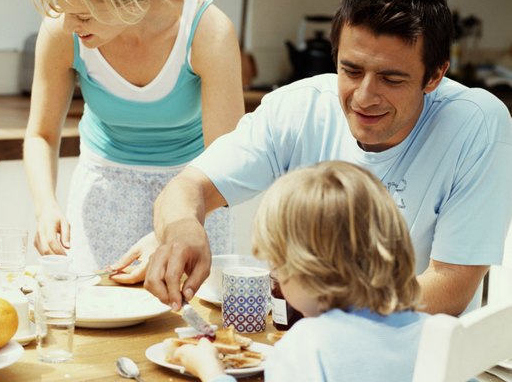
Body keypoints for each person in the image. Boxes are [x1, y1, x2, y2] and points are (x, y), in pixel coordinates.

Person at [139, 0, 512, 314]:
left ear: (435, 75)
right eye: (350, 71)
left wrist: (321, 302)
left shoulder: (477, 125)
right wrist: (182, 229)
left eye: (391, 78)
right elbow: (187, 188)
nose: (365, 97)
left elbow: (451, 286)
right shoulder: (299, 108)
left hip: (416, 355)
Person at [25, 0, 245, 275]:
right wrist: (45, 207)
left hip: (195, 198)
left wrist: (175, 230)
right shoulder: (63, 31)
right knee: (100, 307)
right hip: (105, 195)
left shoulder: (208, 30)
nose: (67, 25)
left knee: (189, 314)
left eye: (83, 16)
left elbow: (225, 164)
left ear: (127, 1)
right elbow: (41, 135)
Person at [171, 161, 428, 382]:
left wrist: (211, 371)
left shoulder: (308, 346)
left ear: (303, 269)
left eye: (277, 264)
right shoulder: (437, 332)